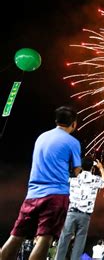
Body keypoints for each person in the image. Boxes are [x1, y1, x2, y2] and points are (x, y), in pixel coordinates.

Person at [1, 106, 82, 260]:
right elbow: (76, 170)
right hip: (56, 195)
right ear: (74, 123)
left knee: (16, 236)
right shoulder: (73, 142)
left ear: (56, 120)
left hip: (32, 195)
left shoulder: (41, 137)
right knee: (45, 239)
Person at [55, 157, 104, 260]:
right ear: (92, 167)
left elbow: (61, 176)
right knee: (80, 242)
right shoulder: (95, 179)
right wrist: (101, 168)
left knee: (64, 239)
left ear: (81, 166)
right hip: (85, 216)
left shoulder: (73, 178)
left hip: (72, 213)